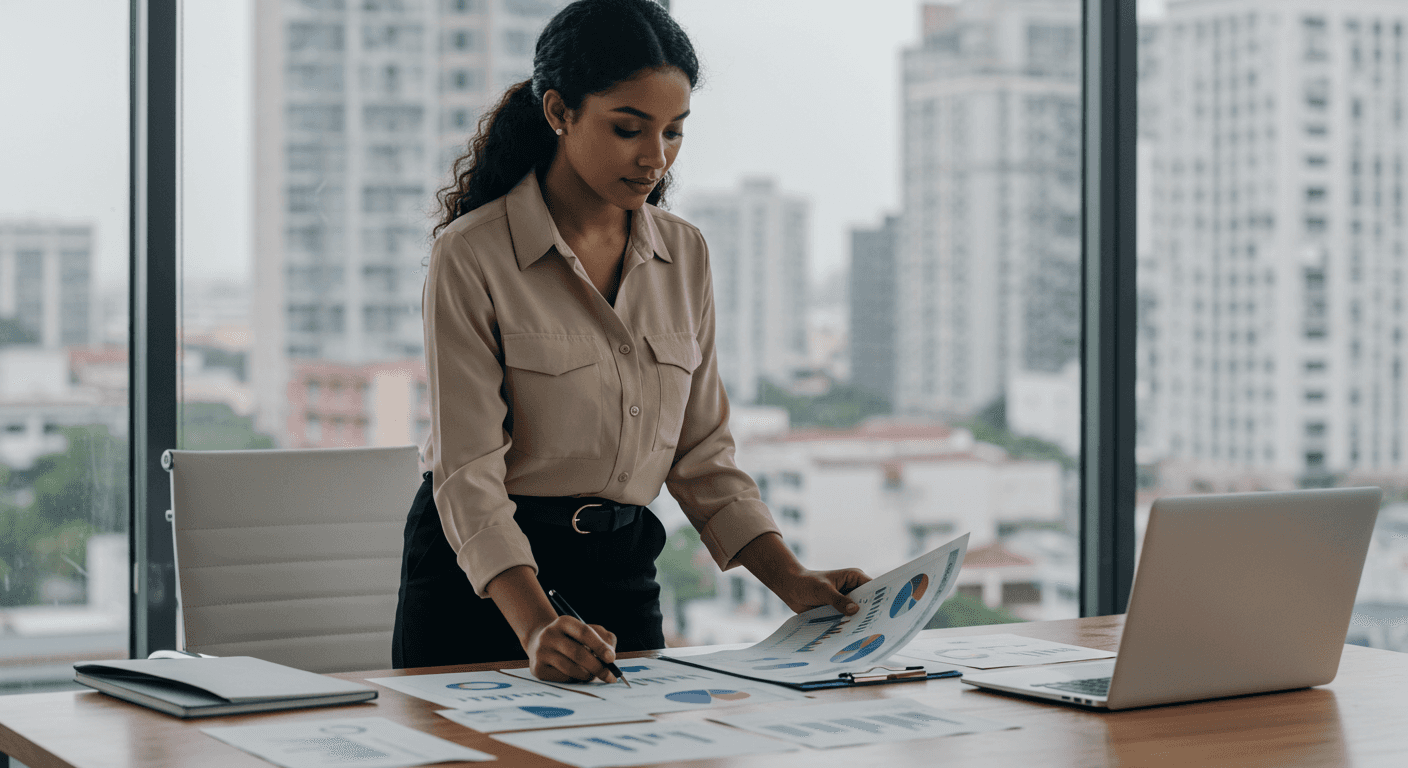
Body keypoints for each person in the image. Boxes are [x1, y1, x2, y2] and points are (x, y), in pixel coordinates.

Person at [392, 0, 870, 684]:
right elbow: (466, 471)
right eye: (628, 129)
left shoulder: (685, 254)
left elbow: (702, 453)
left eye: (674, 132)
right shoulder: (472, 255)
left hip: (621, 575)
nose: (655, 157)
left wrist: (791, 579)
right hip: (484, 586)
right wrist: (536, 627)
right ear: (559, 112)